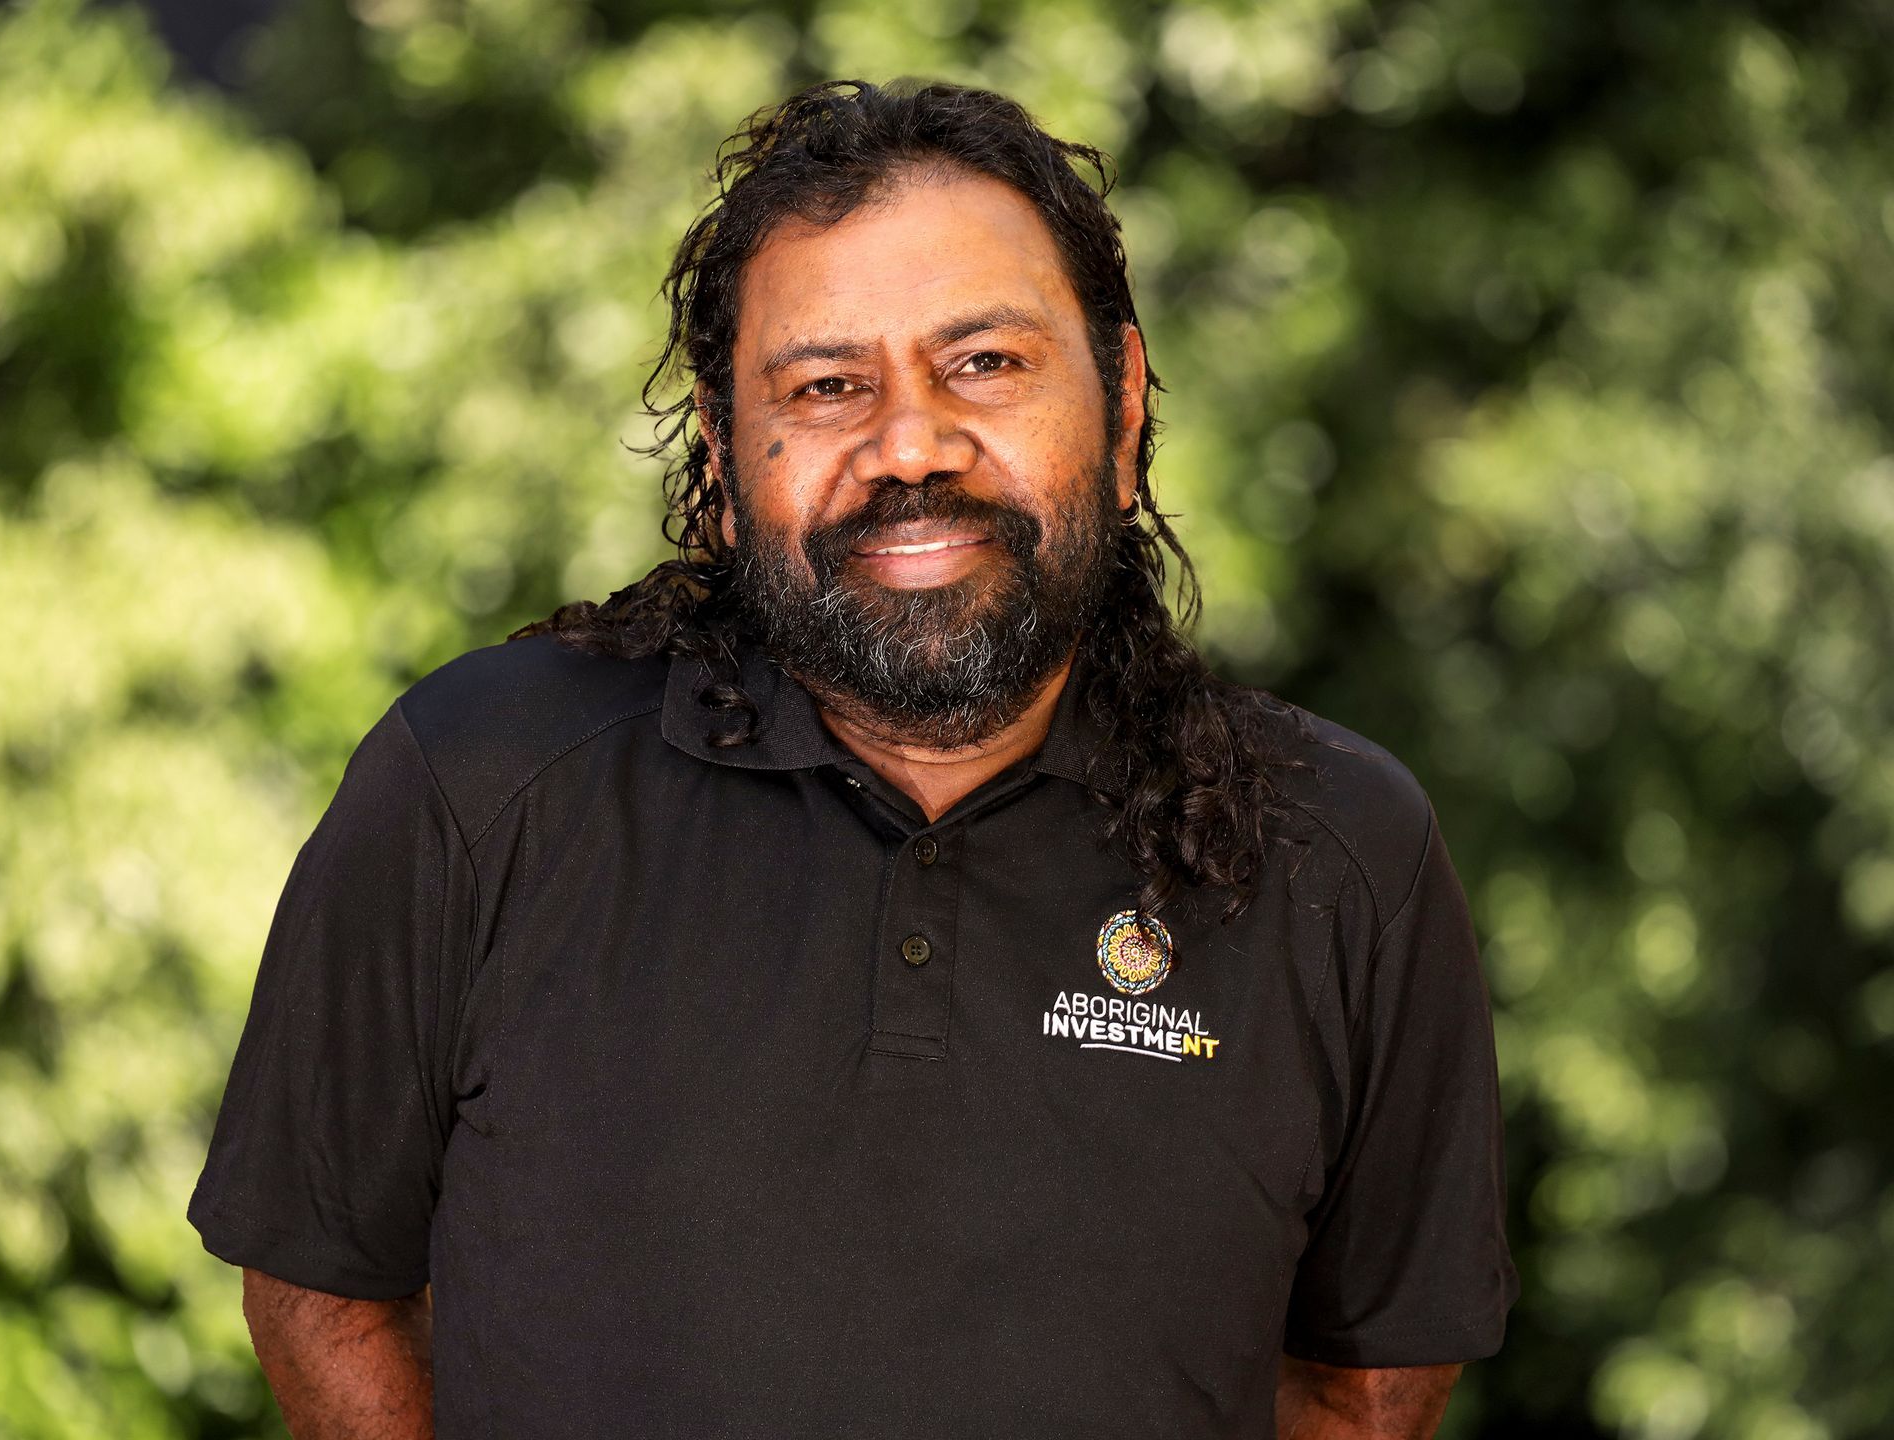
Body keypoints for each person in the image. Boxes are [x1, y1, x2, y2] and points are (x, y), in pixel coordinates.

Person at [189, 77, 1519, 1440]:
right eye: (826, 386)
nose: (909, 446)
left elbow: (1366, 1384)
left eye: (985, 363)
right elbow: (320, 1291)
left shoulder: (1337, 850)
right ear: (723, 452)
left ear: (1123, 408)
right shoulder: (473, 784)